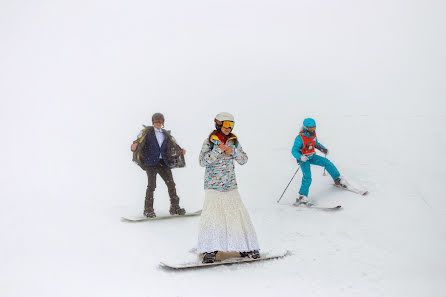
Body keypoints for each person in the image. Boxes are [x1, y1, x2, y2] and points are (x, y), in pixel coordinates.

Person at [197, 112, 260, 264]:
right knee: (213, 216)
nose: (228, 128)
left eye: (231, 125)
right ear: (218, 124)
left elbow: (244, 160)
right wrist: (218, 150)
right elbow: (202, 161)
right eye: (226, 125)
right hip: (213, 185)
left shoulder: (234, 142)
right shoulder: (209, 142)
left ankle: (245, 247)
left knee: (236, 215)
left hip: (230, 185)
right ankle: (210, 250)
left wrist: (232, 151)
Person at [131, 113, 186, 218]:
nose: (158, 123)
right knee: (151, 186)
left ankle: (175, 207)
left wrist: (180, 151)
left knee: (171, 184)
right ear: (153, 122)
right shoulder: (147, 132)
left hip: (163, 162)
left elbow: (173, 144)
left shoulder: (166, 134)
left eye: (160, 121)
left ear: (163, 122)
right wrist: (133, 146)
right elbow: (137, 141)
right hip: (150, 162)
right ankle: (148, 210)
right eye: (156, 121)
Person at [291, 118, 347, 204]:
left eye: (314, 128)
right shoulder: (300, 138)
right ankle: (302, 196)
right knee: (307, 176)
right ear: (305, 128)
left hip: (312, 156)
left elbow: (315, 144)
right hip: (304, 159)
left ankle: (337, 180)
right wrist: (300, 157)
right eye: (310, 128)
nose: (312, 130)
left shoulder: (313, 135)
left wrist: (322, 148)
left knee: (327, 162)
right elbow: (294, 151)